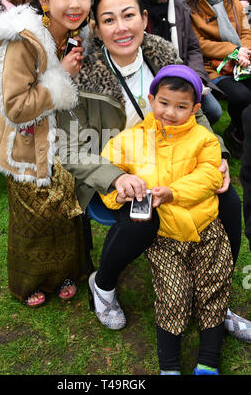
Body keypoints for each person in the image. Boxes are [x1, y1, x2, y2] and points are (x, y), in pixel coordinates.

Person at [58, 0, 237, 333]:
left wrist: (221, 153)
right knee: (144, 217)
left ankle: (216, 297)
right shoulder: (80, 75)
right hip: (117, 168)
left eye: (128, 16)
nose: (121, 28)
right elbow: (69, 148)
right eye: (108, 20)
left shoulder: (163, 56)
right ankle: (103, 284)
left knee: (227, 201)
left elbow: (196, 114)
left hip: (177, 160)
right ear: (95, 27)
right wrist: (114, 176)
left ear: (143, 18)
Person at [100, 65, 233, 375]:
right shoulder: (130, 139)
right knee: (173, 293)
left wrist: (172, 192)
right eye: (163, 103)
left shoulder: (205, 139)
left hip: (206, 229)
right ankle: (170, 367)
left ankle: (208, 362)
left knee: (214, 286)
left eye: (181, 106)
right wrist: (117, 192)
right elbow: (109, 171)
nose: (170, 112)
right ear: (151, 99)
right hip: (164, 236)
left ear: (196, 108)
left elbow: (209, 176)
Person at [0, 0, 91, 307]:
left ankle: (65, 274)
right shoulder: (24, 40)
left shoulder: (76, 32)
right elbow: (14, 108)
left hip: (62, 141)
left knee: (63, 212)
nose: (75, 3)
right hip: (25, 145)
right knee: (33, 218)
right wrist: (62, 78)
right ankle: (30, 283)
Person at [137, 0, 223, 125]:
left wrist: (195, 77)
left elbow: (192, 48)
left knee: (214, 112)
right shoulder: (129, 9)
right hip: (145, 80)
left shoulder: (179, 7)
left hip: (182, 77)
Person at [185, 0, 251, 158]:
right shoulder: (192, 9)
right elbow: (200, 44)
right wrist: (233, 50)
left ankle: (241, 132)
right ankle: (236, 133)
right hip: (214, 68)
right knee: (243, 96)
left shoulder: (235, 4)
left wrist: (245, 52)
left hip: (243, 62)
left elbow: (247, 33)